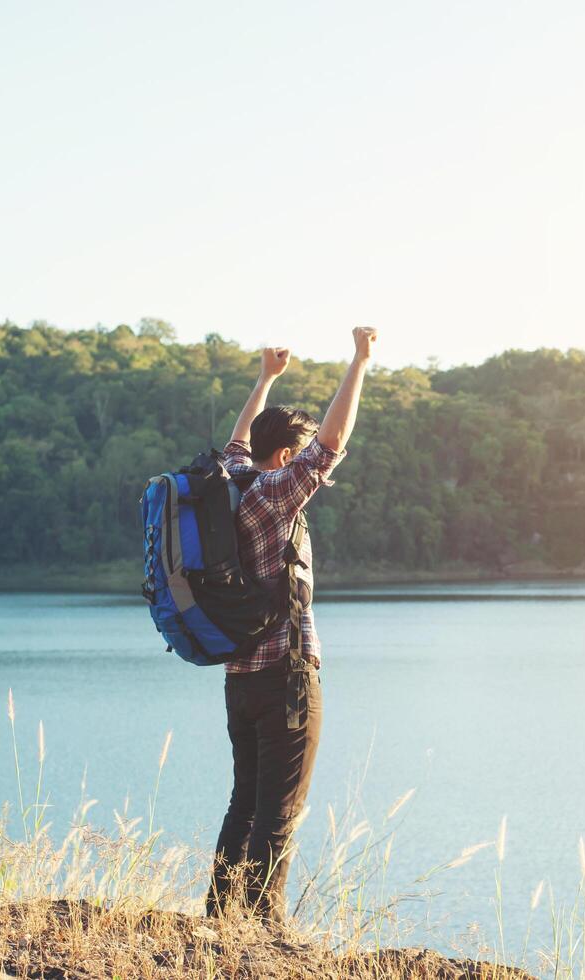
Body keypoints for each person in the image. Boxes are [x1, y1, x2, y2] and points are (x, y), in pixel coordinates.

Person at [206, 326, 377, 921]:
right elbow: (332, 441)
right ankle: (264, 930)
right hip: (286, 677)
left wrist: (266, 379)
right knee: (280, 809)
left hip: (240, 678)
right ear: (284, 458)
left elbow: (238, 438)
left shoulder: (231, 483)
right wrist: (358, 360)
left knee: (245, 803)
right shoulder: (276, 493)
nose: (317, 475)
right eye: (299, 459)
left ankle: (220, 917)